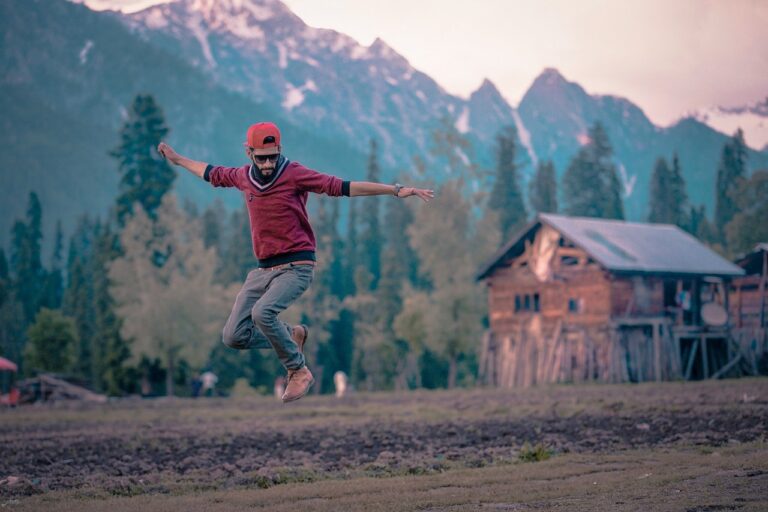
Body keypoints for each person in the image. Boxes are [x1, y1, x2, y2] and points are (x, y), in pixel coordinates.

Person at [158, 122, 433, 403]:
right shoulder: (242, 176)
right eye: (261, 157)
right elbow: (210, 172)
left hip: (297, 266)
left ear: (280, 150)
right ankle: (293, 335)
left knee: (262, 313)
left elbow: (344, 187)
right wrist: (178, 160)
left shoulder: (294, 174)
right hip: (263, 270)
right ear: (248, 152)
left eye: (272, 157)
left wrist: (395, 190)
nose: (267, 164)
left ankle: (298, 370)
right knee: (234, 336)